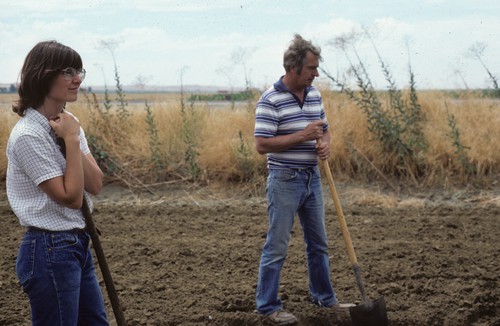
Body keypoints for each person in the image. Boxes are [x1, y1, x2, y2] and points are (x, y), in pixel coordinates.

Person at [6, 40, 108, 325]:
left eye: (79, 71)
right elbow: (71, 197)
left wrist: (72, 134)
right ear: (42, 75)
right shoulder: (28, 135)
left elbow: (96, 184)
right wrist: (72, 141)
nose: (77, 79)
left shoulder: (69, 123)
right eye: (67, 71)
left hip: (76, 244)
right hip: (49, 250)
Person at [254, 34, 354, 324]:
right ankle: (268, 306)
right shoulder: (270, 100)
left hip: (313, 179)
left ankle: (325, 300)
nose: (316, 74)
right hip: (285, 179)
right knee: (277, 246)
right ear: (294, 67)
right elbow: (262, 144)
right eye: (311, 68)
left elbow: (324, 129)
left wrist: (325, 142)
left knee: (319, 244)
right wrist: (303, 136)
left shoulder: (314, 95)